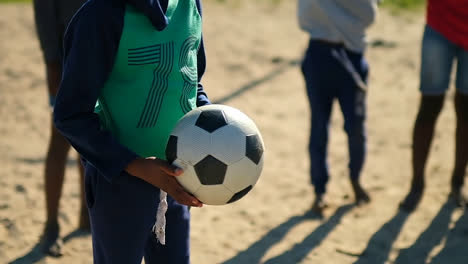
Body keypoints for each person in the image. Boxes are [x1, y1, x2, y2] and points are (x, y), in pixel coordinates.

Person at [53, 0, 208, 263]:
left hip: (178, 179)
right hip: (117, 187)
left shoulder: (189, 5)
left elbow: (192, 83)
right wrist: (133, 164)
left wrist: (213, 124)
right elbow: (70, 115)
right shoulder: (100, 16)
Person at [297, 0, 379, 214]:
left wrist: (330, 9)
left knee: (356, 126)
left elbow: (369, 15)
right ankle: (319, 189)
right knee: (319, 126)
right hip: (318, 53)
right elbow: (304, 16)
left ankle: (355, 179)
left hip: (352, 55)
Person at [399, 0, 468, 212]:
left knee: (466, 112)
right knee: (429, 106)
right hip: (440, 25)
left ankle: (457, 182)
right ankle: (417, 184)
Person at [32, 0, 88, 256]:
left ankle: (86, 216)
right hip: (67, 59)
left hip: (106, 55)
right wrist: (52, 62)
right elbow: (44, 12)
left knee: (91, 141)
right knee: (60, 141)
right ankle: (51, 225)